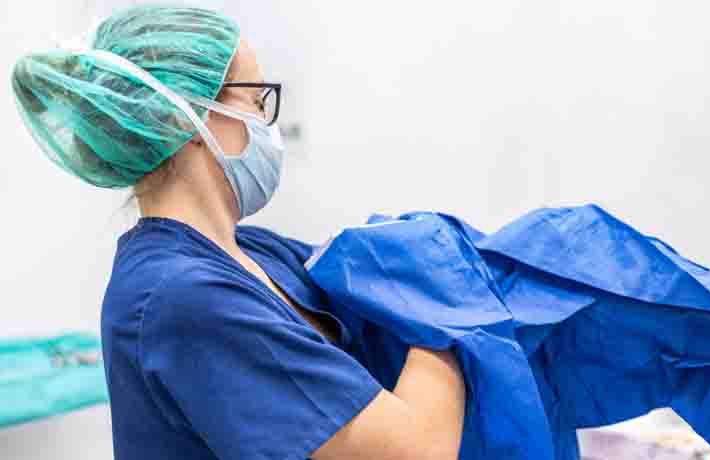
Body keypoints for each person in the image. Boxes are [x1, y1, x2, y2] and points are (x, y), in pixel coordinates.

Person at [11, 5, 466, 460]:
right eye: (255, 99)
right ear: (182, 118)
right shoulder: (180, 298)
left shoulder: (254, 252)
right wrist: (453, 307)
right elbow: (417, 451)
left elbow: (375, 280)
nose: (267, 124)